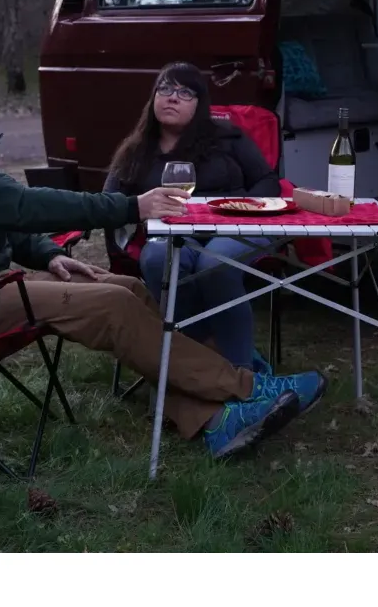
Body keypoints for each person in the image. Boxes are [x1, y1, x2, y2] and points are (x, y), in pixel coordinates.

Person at [0, 36, 325, 460]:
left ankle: (213, 419)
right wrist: (130, 207)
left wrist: (47, 254)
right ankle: (245, 390)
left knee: (129, 287)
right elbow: (18, 205)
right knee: (111, 306)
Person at [104, 62, 282, 378]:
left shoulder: (228, 137)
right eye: (165, 88)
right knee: (158, 257)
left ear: (200, 104)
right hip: (173, 235)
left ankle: (243, 375)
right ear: (153, 97)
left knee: (215, 263)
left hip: (236, 226)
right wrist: (139, 208)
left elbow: (267, 180)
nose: (172, 97)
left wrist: (245, 209)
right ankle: (202, 357)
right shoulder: (136, 151)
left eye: (185, 92)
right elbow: (110, 202)